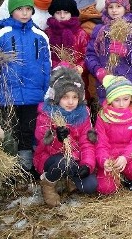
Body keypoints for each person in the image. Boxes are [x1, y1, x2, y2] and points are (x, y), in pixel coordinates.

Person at [0, 0, 51, 172]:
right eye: (20, 9)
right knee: (10, 130)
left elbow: (46, 64)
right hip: (8, 94)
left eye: (28, 9)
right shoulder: (1, 33)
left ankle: (25, 166)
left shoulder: (40, 35)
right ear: (12, 11)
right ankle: (9, 165)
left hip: (33, 94)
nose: (25, 13)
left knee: (29, 130)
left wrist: (45, 90)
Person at [34, 67, 98, 206]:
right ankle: (48, 184)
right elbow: (43, 143)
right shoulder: (48, 114)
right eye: (65, 97)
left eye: (74, 97)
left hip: (74, 159)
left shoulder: (83, 114)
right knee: (64, 162)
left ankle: (68, 179)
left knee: (91, 185)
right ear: (57, 97)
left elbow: (87, 144)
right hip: (51, 159)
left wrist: (87, 165)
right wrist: (58, 139)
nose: (70, 102)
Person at [85, 0, 132, 104]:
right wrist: (98, 70)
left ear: (125, 8)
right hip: (107, 87)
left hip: (130, 87)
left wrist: (126, 52)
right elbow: (90, 55)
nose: (114, 10)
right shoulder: (100, 31)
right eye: (110, 7)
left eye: (118, 6)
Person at [95, 75, 132, 194]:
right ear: (109, 99)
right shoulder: (103, 117)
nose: (122, 104)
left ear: (131, 98)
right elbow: (100, 143)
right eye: (116, 100)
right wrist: (104, 161)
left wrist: (125, 157)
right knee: (105, 188)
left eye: (125, 99)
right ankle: (118, 178)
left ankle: (128, 178)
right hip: (111, 155)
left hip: (130, 155)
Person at [45, 0, 90, 73]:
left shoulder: (81, 34)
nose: (62, 16)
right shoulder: (48, 34)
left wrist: (80, 67)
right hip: (54, 77)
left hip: (77, 77)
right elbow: (44, 56)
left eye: (66, 12)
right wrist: (57, 66)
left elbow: (88, 55)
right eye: (58, 13)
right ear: (53, 14)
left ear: (71, 13)